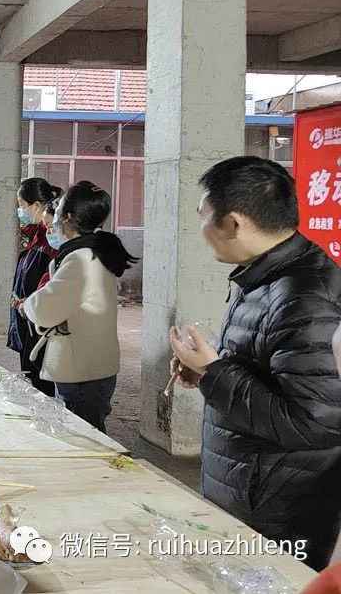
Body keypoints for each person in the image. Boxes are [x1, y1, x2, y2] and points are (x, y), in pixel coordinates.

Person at [169, 156, 341, 571]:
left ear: (233, 223)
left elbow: (312, 423)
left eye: (203, 215)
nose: (201, 228)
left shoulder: (305, 296)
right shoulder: (267, 273)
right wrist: (207, 373)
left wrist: (213, 372)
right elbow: (268, 372)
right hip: (253, 487)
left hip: (279, 508)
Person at [21, 182, 137, 432]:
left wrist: (27, 305)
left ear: (67, 217)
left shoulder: (81, 259)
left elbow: (44, 309)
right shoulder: (94, 249)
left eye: (59, 208)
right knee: (88, 433)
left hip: (82, 371)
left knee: (83, 436)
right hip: (92, 365)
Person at [8, 178, 63, 397]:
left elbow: (51, 283)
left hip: (39, 322)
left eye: (22, 205)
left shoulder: (51, 239)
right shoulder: (36, 235)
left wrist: (30, 303)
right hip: (28, 316)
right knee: (32, 375)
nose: (20, 211)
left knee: (41, 384)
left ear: (37, 206)